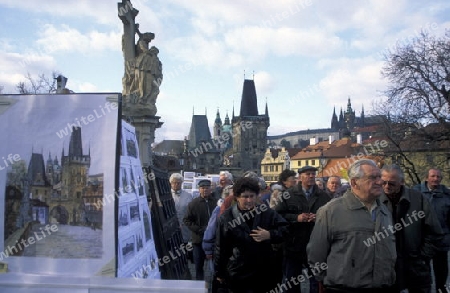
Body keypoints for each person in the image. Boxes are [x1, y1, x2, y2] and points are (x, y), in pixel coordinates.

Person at [307, 159, 397, 293]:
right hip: (344, 289)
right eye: (373, 177)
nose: (380, 182)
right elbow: (316, 253)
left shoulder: (384, 210)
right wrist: (327, 281)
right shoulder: (331, 211)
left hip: (383, 287)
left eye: (379, 177)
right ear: (355, 182)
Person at [214, 177, 288, 293]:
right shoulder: (227, 217)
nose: (249, 200)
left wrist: (270, 234)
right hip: (238, 271)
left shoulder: (266, 213)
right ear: (237, 197)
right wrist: (219, 272)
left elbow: (286, 229)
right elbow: (221, 247)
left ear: (257, 196)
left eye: (252, 196)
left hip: (264, 271)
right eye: (245, 196)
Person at [380, 164, 442, 293]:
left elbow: (434, 231)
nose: (386, 186)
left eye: (391, 183)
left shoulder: (418, 198)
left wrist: (423, 257)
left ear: (401, 182)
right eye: (383, 182)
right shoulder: (375, 199)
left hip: (416, 264)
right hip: (386, 265)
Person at [274, 166, 330, 293]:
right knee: (291, 281)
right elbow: (278, 216)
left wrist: (319, 217)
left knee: (316, 281)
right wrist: (296, 217)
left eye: (313, 174)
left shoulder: (323, 195)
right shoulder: (288, 194)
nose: (311, 176)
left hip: (316, 243)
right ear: (300, 177)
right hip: (294, 243)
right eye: (308, 174)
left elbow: (332, 216)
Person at [413, 168, 450, 293]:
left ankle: (441, 288)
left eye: (438, 177)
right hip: (423, 239)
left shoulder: (446, 194)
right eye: (433, 176)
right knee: (423, 268)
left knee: (442, 268)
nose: (436, 179)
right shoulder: (415, 192)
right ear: (427, 178)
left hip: (442, 238)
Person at [183, 179, 217, 280]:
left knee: (216, 265)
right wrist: (199, 229)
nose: (205, 190)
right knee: (198, 266)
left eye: (207, 188)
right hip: (198, 240)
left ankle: (215, 285)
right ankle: (199, 286)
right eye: (203, 188)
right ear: (199, 190)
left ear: (210, 189)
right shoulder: (193, 204)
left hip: (214, 240)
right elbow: (186, 220)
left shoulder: (216, 202)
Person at [170, 173, 193, 245]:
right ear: (171, 183)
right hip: (171, 228)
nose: (176, 184)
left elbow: (191, 212)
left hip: (184, 228)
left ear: (181, 183)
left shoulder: (188, 196)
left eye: (178, 183)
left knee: (185, 247)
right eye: (174, 182)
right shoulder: (166, 196)